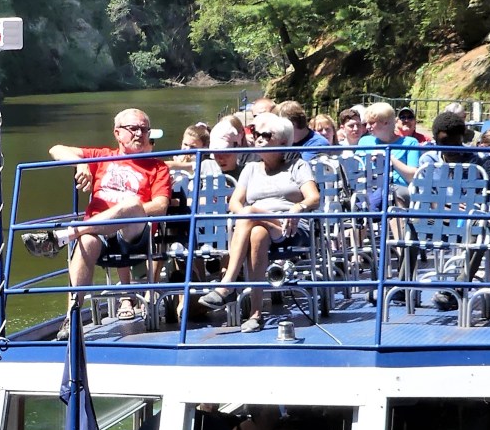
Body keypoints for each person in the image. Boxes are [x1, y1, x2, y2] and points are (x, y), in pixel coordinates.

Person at [48, 109, 172, 331]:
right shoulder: (103, 156)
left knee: (132, 203)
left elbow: (160, 206)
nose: (140, 134)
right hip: (99, 233)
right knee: (87, 241)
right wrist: (81, 163)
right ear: (117, 133)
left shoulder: (157, 166)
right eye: (133, 129)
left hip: (133, 236)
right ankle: (72, 318)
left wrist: (126, 211)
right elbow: (56, 149)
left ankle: (67, 234)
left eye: (144, 129)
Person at [197, 113, 320, 332]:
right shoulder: (251, 168)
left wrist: (296, 207)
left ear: (283, 141)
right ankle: (255, 314)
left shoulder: (297, 165)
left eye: (266, 135)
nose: (259, 138)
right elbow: (235, 202)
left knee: (250, 212)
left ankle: (228, 285)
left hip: (289, 225)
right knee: (256, 233)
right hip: (258, 226)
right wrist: (248, 214)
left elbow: (313, 197)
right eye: (256, 134)